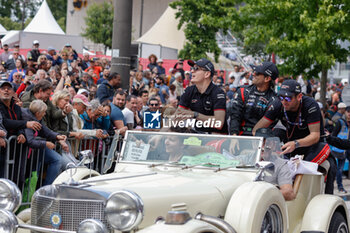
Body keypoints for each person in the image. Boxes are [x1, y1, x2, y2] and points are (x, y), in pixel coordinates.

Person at [252, 79, 335, 194]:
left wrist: (296, 144)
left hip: (313, 144)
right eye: (281, 97)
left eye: (288, 98)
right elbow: (256, 130)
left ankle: (295, 190)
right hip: (290, 141)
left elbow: (315, 136)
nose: (284, 102)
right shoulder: (278, 104)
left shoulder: (310, 105)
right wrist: (265, 146)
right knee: (275, 133)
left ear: (299, 96)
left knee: (319, 151)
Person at [22, 100, 70, 185]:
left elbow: (45, 131)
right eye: (44, 112)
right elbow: (30, 141)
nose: (45, 114)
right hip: (27, 152)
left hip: (36, 150)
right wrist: (46, 144)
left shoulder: (37, 119)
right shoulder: (29, 120)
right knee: (31, 176)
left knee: (56, 160)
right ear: (37, 113)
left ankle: (46, 188)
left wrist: (57, 136)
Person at [175, 58, 227, 134]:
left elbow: (218, 123)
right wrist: (160, 135)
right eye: (192, 68)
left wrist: (194, 114)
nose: (192, 71)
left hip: (215, 137)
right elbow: (176, 117)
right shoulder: (189, 90)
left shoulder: (218, 93)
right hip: (197, 135)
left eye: (196, 69)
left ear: (207, 74)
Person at [229, 62, 279, 136]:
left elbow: (271, 125)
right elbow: (235, 115)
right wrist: (234, 136)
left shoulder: (274, 99)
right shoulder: (242, 91)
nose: (253, 74)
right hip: (240, 135)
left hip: (261, 137)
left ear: (267, 78)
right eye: (254, 72)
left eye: (257, 73)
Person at [255, 128, 296, 201]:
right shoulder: (243, 160)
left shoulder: (281, 164)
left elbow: (289, 193)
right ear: (253, 144)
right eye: (259, 142)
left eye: (267, 143)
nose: (263, 147)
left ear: (273, 145)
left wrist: (263, 196)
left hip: (267, 205)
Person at [330, 106, 350, 193]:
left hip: (346, 150)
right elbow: (333, 135)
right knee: (336, 169)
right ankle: (337, 187)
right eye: (348, 112)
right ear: (345, 112)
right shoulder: (340, 122)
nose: (349, 114)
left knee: (340, 169)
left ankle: (340, 186)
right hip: (337, 149)